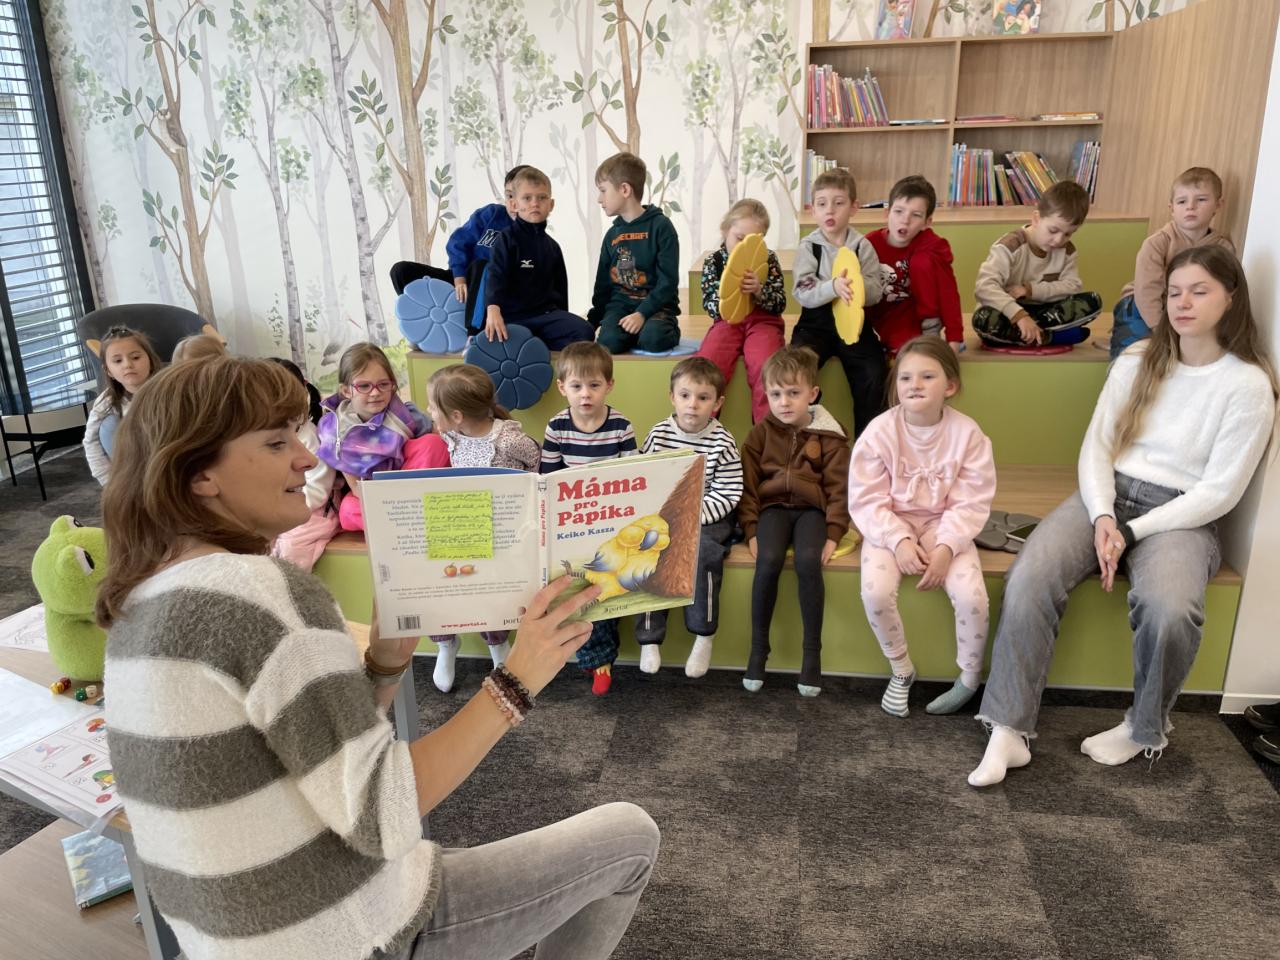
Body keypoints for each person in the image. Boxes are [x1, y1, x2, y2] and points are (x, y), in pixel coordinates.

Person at [95, 354, 659, 960]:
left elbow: (312, 754)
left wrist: (384, 667)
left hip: (235, 941)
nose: (307, 457)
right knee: (631, 837)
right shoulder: (259, 592)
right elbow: (384, 816)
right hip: (348, 937)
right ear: (199, 473)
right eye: (276, 442)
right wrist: (517, 678)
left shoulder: (139, 601)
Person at [969, 246, 1278, 787]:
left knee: (1170, 608)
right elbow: (1097, 446)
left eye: (1199, 291)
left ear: (1231, 298)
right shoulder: (1137, 358)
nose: (1182, 303)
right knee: (1030, 576)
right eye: (1175, 291)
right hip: (1107, 495)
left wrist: (1131, 531)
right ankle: (1009, 726)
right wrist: (1103, 516)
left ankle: (1143, 728)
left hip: (1182, 514)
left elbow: (1220, 492)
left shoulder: (1248, 384)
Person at [848, 337, 995, 717]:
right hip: (889, 524)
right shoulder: (879, 432)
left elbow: (971, 500)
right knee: (875, 593)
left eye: (927, 376)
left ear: (950, 386)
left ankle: (969, 678)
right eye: (905, 377)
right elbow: (866, 498)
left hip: (944, 523)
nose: (914, 384)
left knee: (972, 597)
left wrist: (947, 547)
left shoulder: (968, 435)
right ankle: (901, 669)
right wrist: (897, 540)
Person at [739, 345, 851, 697]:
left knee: (807, 561)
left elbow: (840, 488)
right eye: (775, 394)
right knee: (768, 560)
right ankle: (758, 650)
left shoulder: (830, 435)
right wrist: (751, 529)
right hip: (772, 509)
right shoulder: (760, 434)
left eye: (793, 393)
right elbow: (747, 486)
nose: (784, 402)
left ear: (812, 394)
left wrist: (834, 533)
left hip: (811, 511)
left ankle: (811, 656)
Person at [423, 363, 542, 692]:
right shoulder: (450, 434)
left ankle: (497, 645)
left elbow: (536, 462)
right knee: (437, 581)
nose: (428, 412)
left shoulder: (508, 440)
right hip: (463, 525)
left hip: (502, 532)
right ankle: (445, 642)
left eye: (432, 406)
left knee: (488, 589)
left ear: (457, 415)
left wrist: (520, 504)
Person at [633, 357, 743, 678]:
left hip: (709, 515)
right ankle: (649, 638)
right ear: (672, 397)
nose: (692, 404)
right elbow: (645, 478)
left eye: (703, 397)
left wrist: (692, 518)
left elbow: (728, 492)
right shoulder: (659, 435)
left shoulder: (723, 441)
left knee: (704, 554)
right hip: (664, 513)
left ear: (717, 403)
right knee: (648, 550)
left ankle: (703, 635)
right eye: (685, 395)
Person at [540, 341, 638, 694]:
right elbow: (547, 480)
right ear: (562, 387)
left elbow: (635, 478)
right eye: (577, 386)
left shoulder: (621, 426)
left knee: (602, 586)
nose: (585, 394)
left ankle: (601, 660)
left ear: (609, 385)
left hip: (613, 522)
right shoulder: (557, 427)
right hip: (572, 522)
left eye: (594, 385)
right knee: (572, 585)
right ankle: (582, 654)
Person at [791, 166, 887, 438]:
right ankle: (805, 438)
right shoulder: (809, 246)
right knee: (796, 368)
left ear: (854, 207)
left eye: (839, 203)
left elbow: (876, 290)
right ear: (813, 210)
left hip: (854, 322)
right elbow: (802, 290)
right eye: (822, 204)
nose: (830, 211)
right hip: (815, 324)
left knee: (873, 373)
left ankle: (868, 445)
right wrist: (831, 287)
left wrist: (856, 286)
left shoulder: (862, 246)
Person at [317, 343, 449, 532]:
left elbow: (439, 437)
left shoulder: (403, 414)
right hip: (375, 494)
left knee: (433, 443)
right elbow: (356, 488)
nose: (375, 393)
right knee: (348, 511)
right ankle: (410, 520)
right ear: (346, 391)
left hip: (411, 485)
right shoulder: (334, 430)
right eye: (364, 386)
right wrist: (387, 502)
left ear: (392, 385)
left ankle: (407, 514)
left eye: (383, 384)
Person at [1110, 167, 1235, 358]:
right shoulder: (1157, 243)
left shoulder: (1223, 248)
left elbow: (1225, 291)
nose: (1190, 207)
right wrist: (1158, 327)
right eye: (1182, 201)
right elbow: (1147, 289)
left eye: (1201, 200)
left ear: (1218, 206)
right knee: (1134, 354)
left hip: (1186, 307)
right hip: (1143, 304)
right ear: (1172, 209)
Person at [390, 163, 529, 331]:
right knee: (401, 271)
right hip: (462, 284)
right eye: (509, 195)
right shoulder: (492, 214)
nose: (513, 203)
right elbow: (459, 242)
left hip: (492, 297)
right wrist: (459, 278)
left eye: (521, 197)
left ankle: (472, 333)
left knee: (483, 266)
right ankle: (424, 327)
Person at [972, 179, 1102, 349]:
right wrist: (1019, 315)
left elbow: (1072, 287)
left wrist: (1030, 291)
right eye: (1053, 230)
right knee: (983, 319)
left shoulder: (1067, 251)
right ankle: (1051, 337)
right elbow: (984, 287)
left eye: (1068, 234)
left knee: (1093, 301)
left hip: (1044, 312)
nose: (1059, 240)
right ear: (1036, 218)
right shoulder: (1009, 246)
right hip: (1008, 312)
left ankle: (1031, 334)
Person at [693, 198, 788, 423]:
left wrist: (759, 291)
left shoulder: (768, 259)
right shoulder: (714, 261)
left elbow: (780, 302)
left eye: (753, 241)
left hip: (763, 321)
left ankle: (768, 432)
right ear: (725, 230)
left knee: (766, 367)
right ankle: (701, 428)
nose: (743, 247)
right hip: (727, 321)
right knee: (708, 365)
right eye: (739, 238)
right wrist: (729, 292)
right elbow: (709, 305)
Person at [480, 166, 594, 350]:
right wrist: (492, 309)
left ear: (551, 204)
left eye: (542, 197)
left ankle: (533, 345)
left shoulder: (553, 247)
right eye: (527, 198)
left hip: (545, 318)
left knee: (584, 331)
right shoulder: (506, 240)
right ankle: (528, 344)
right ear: (514, 204)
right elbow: (495, 277)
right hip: (513, 319)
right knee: (498, 339)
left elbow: (561, 293)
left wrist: (562, 318)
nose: (535, 203)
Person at [588, 152, 681, 355]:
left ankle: (661, 329)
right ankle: (630, 333)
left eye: (603, 191)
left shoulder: (661, 227)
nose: (599, 199)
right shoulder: (612, 235)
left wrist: (642, 314)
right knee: (609, 342)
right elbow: (602, 285)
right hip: (621, 305)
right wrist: (592, 322)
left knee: (653, 339)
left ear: (624, 189)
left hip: (656, 306)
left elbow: (668, 282)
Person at [865, 175, 964, 356]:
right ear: (887, 213)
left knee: (915, 351)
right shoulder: (869, 244)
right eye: (899, 211)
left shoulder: (933, 246)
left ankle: (930, 330)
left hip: (918, 314)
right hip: (885, 314)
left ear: (927, 222)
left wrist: (954, 339)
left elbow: (948, 293)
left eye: (916, 215)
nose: (905, 220)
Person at [268, 357, 339, 573]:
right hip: (277, 506)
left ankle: (289, 588)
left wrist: (281, 511)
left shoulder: (309, 436)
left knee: (292, 548)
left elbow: (317, 491)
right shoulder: (260, 436)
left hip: (312, 510)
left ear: (304, 391)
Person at [83, 325, 162, 486]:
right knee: (109, 425)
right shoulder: (106, 402)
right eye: (118, 361)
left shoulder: (168, 389)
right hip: (133, 474)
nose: (127, 365)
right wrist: (109, 483)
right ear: (108, 371)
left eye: (135, 357)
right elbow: (91, 442)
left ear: (151, 361)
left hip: (168, 464)